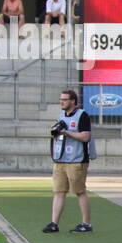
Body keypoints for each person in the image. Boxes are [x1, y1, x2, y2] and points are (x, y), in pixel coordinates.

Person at [43, 88, 93, 234]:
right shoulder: (61, 115)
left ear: (73, 101)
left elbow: (86, 137)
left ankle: (86, 223)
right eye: (60, 99)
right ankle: (54, 223)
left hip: (76, 160)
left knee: (80, 191)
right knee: (58, 191)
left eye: (64, 99)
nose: (61, 102)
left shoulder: (82, 115)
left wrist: (67, 132)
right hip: (61, 159)